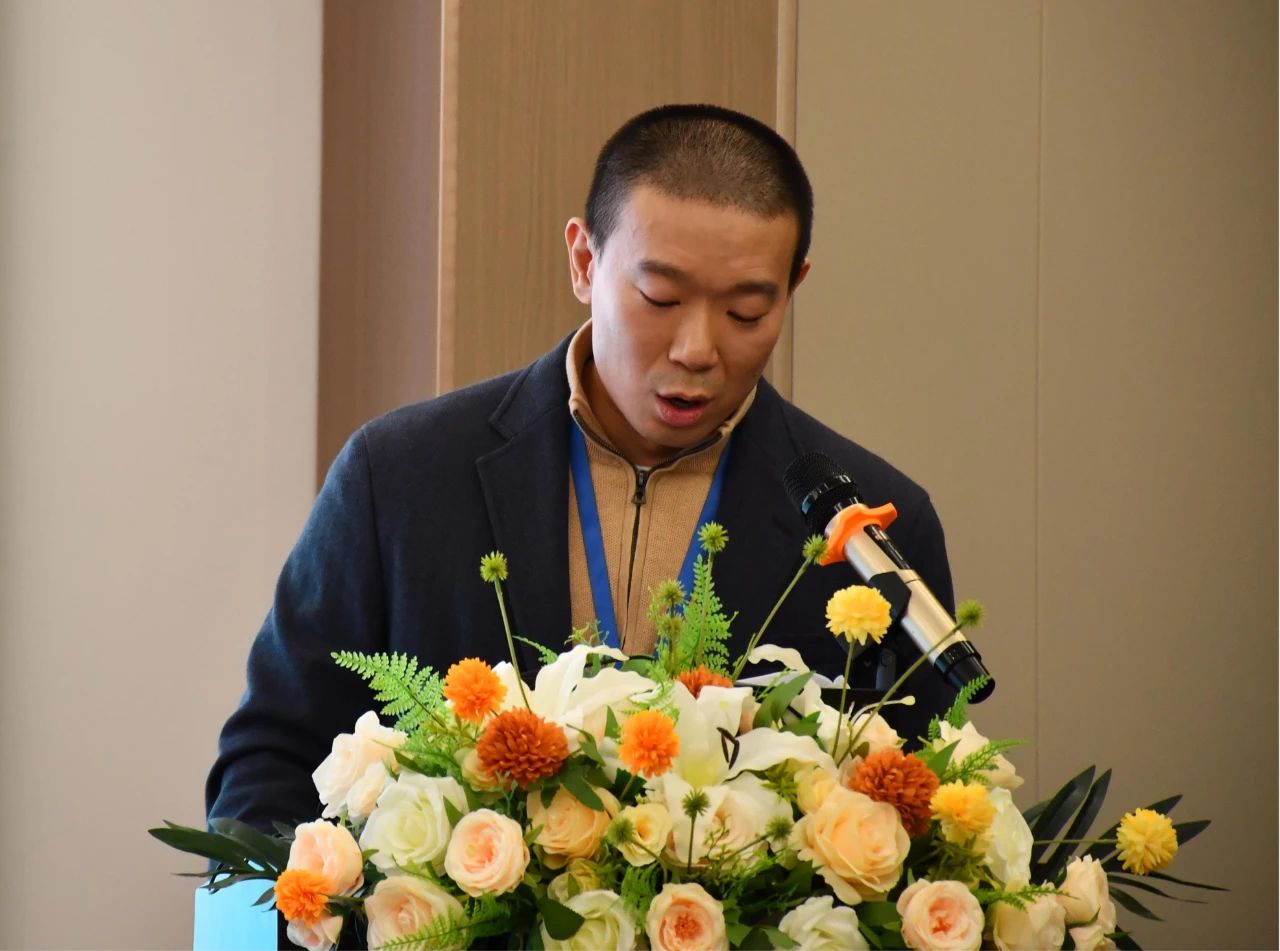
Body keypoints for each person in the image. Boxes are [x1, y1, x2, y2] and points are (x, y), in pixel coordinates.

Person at [206, 104, 956, 833]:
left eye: (746, 313)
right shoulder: (398, 477)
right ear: (584, 261)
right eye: (660, 297)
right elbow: (270, 762)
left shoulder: (877, 525)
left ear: (793, 287)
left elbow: (925, 804)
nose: (697, 348)